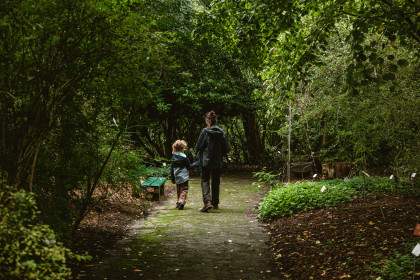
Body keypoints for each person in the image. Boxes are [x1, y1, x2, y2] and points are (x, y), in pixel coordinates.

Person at [195, 110, 228, 212]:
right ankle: (215, 203)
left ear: (208, 120)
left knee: (204, 180)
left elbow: (198, 146)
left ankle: (207, 202)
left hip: (206, 160)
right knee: (215, 181)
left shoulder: (204, 132)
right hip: (217, 160)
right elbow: (226, 148)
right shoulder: (222, 132)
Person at [170, 140, 198, 210]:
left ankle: (178, 202)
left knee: (179, 189)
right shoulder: (185, 158)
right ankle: (181, 201)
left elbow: (171, 169)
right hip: (184, 176)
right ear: (183, 148)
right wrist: (196, 163)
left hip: (177, 176)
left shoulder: (173, 158)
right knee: (184, 189)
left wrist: (172, 178)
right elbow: (189, 166)